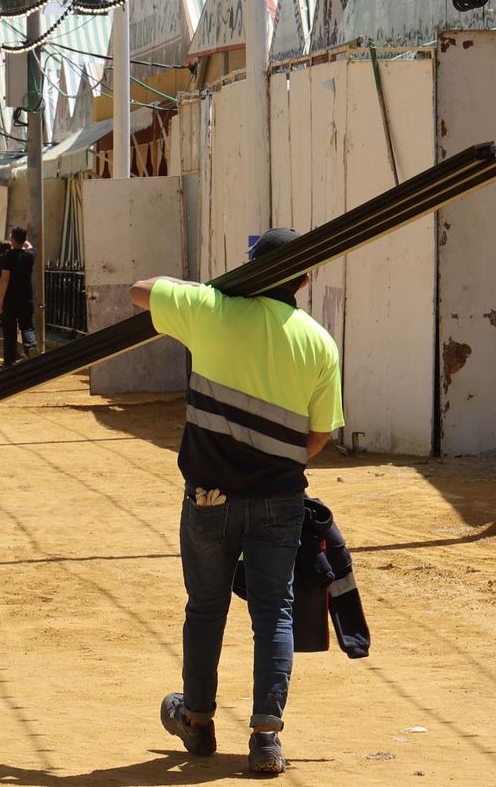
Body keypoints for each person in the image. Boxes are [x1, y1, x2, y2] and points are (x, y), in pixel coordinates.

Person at [129, 227, 344, 777]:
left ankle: (197, 721)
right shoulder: (319, 342)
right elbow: (319, 436)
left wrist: (211, 289)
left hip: (209, 497)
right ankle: (266, 738)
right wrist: (271, 459)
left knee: (205, 609)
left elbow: (139, 290)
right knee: (274, 612)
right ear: (304, 279)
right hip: (280, 499)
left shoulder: (209, 309)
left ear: (249, 269)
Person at [0, 226, 37, 366]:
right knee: (27, 326)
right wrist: (24, 241)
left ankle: (9, 361)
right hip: (26, 297)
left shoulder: (8, 257)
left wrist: (0, 302)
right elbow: (29, 246)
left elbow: (4, 279)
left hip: (10, 299)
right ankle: (30, 346)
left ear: (12, 240)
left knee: (9, 330)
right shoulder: (30, 255)